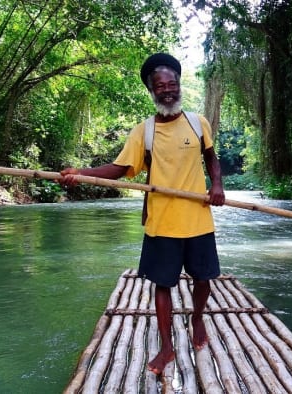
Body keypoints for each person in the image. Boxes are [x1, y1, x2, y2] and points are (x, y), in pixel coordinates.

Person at [58, 53, 225, 375]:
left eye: (172, 83)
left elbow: (212, 159)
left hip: (198, 218)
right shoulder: (143, 132)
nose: (167, 90)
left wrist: (217, 185)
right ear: (151, 90)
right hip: (162, 222)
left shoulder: (197, 122)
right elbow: (119, 169)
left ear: (178, 86)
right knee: (163, 285)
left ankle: (198, 318)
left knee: (204, 279)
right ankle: (166, 346)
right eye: (159, 85)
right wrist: (80, 172)